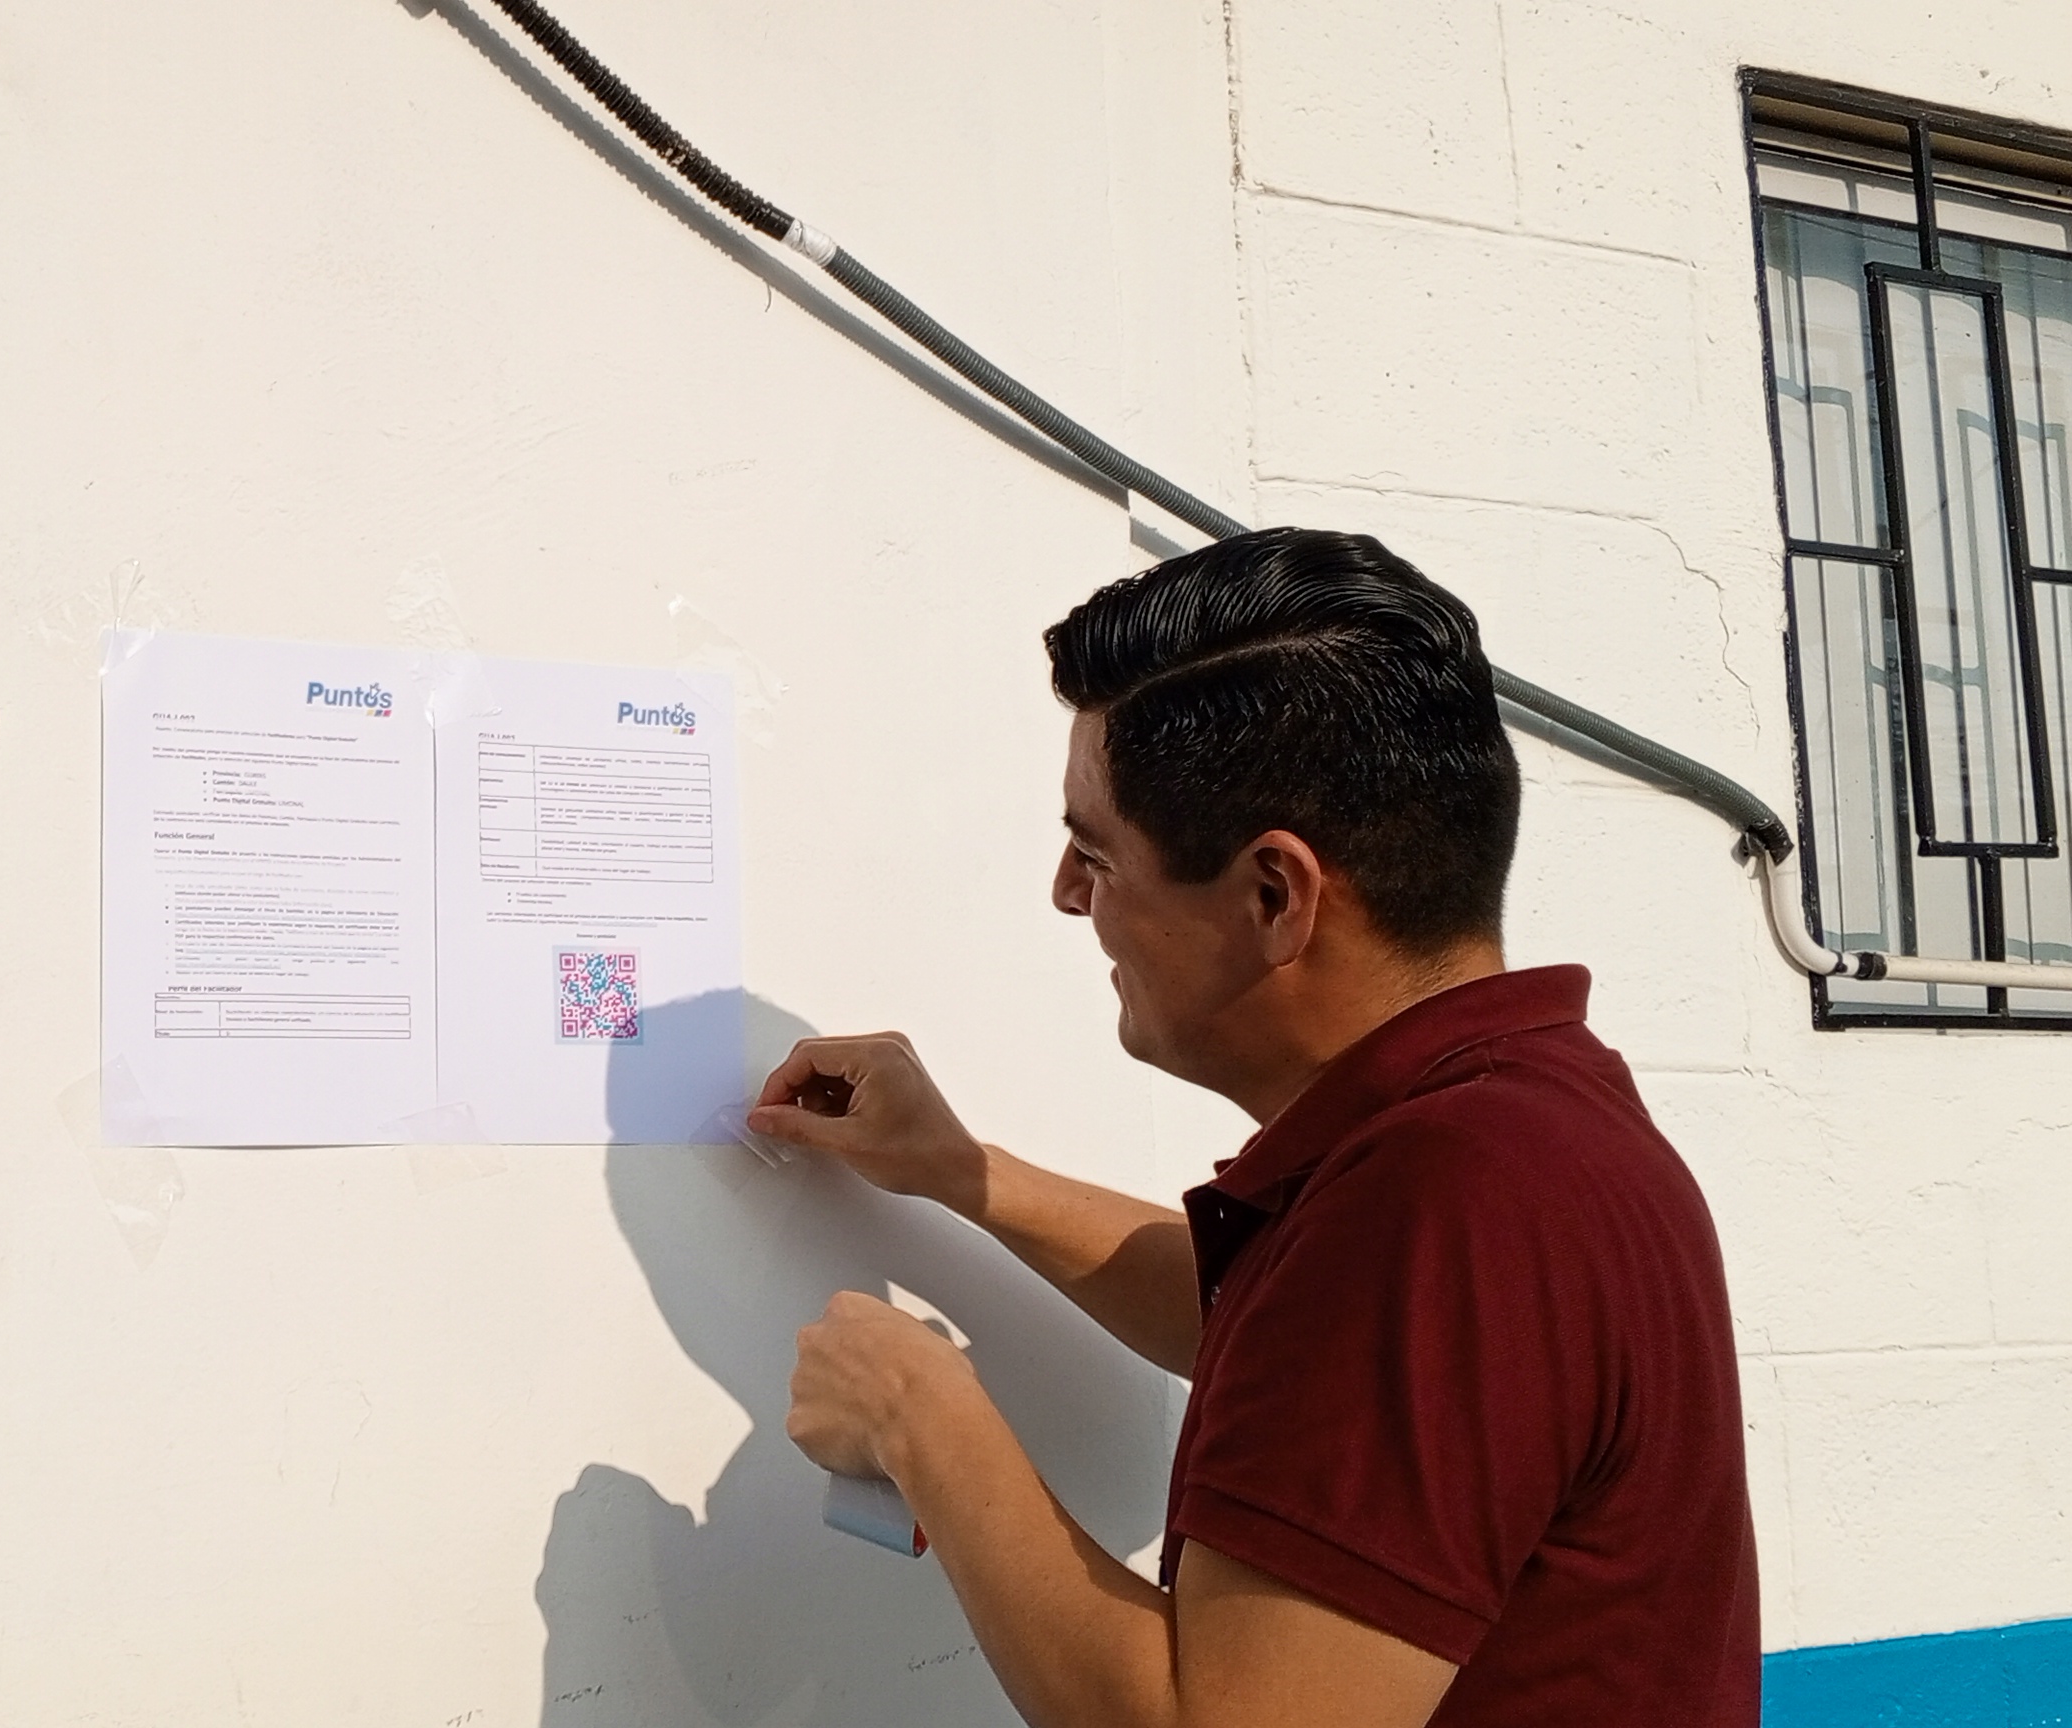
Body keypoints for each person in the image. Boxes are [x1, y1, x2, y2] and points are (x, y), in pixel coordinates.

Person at [743, 528, 1755, 1727]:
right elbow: (1290, 1329)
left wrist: (921, 1419)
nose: (1067, 893)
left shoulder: (1448, 1199)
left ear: (1275, 896)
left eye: (1095, 851)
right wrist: (968, 1175)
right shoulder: (1533, 1116)